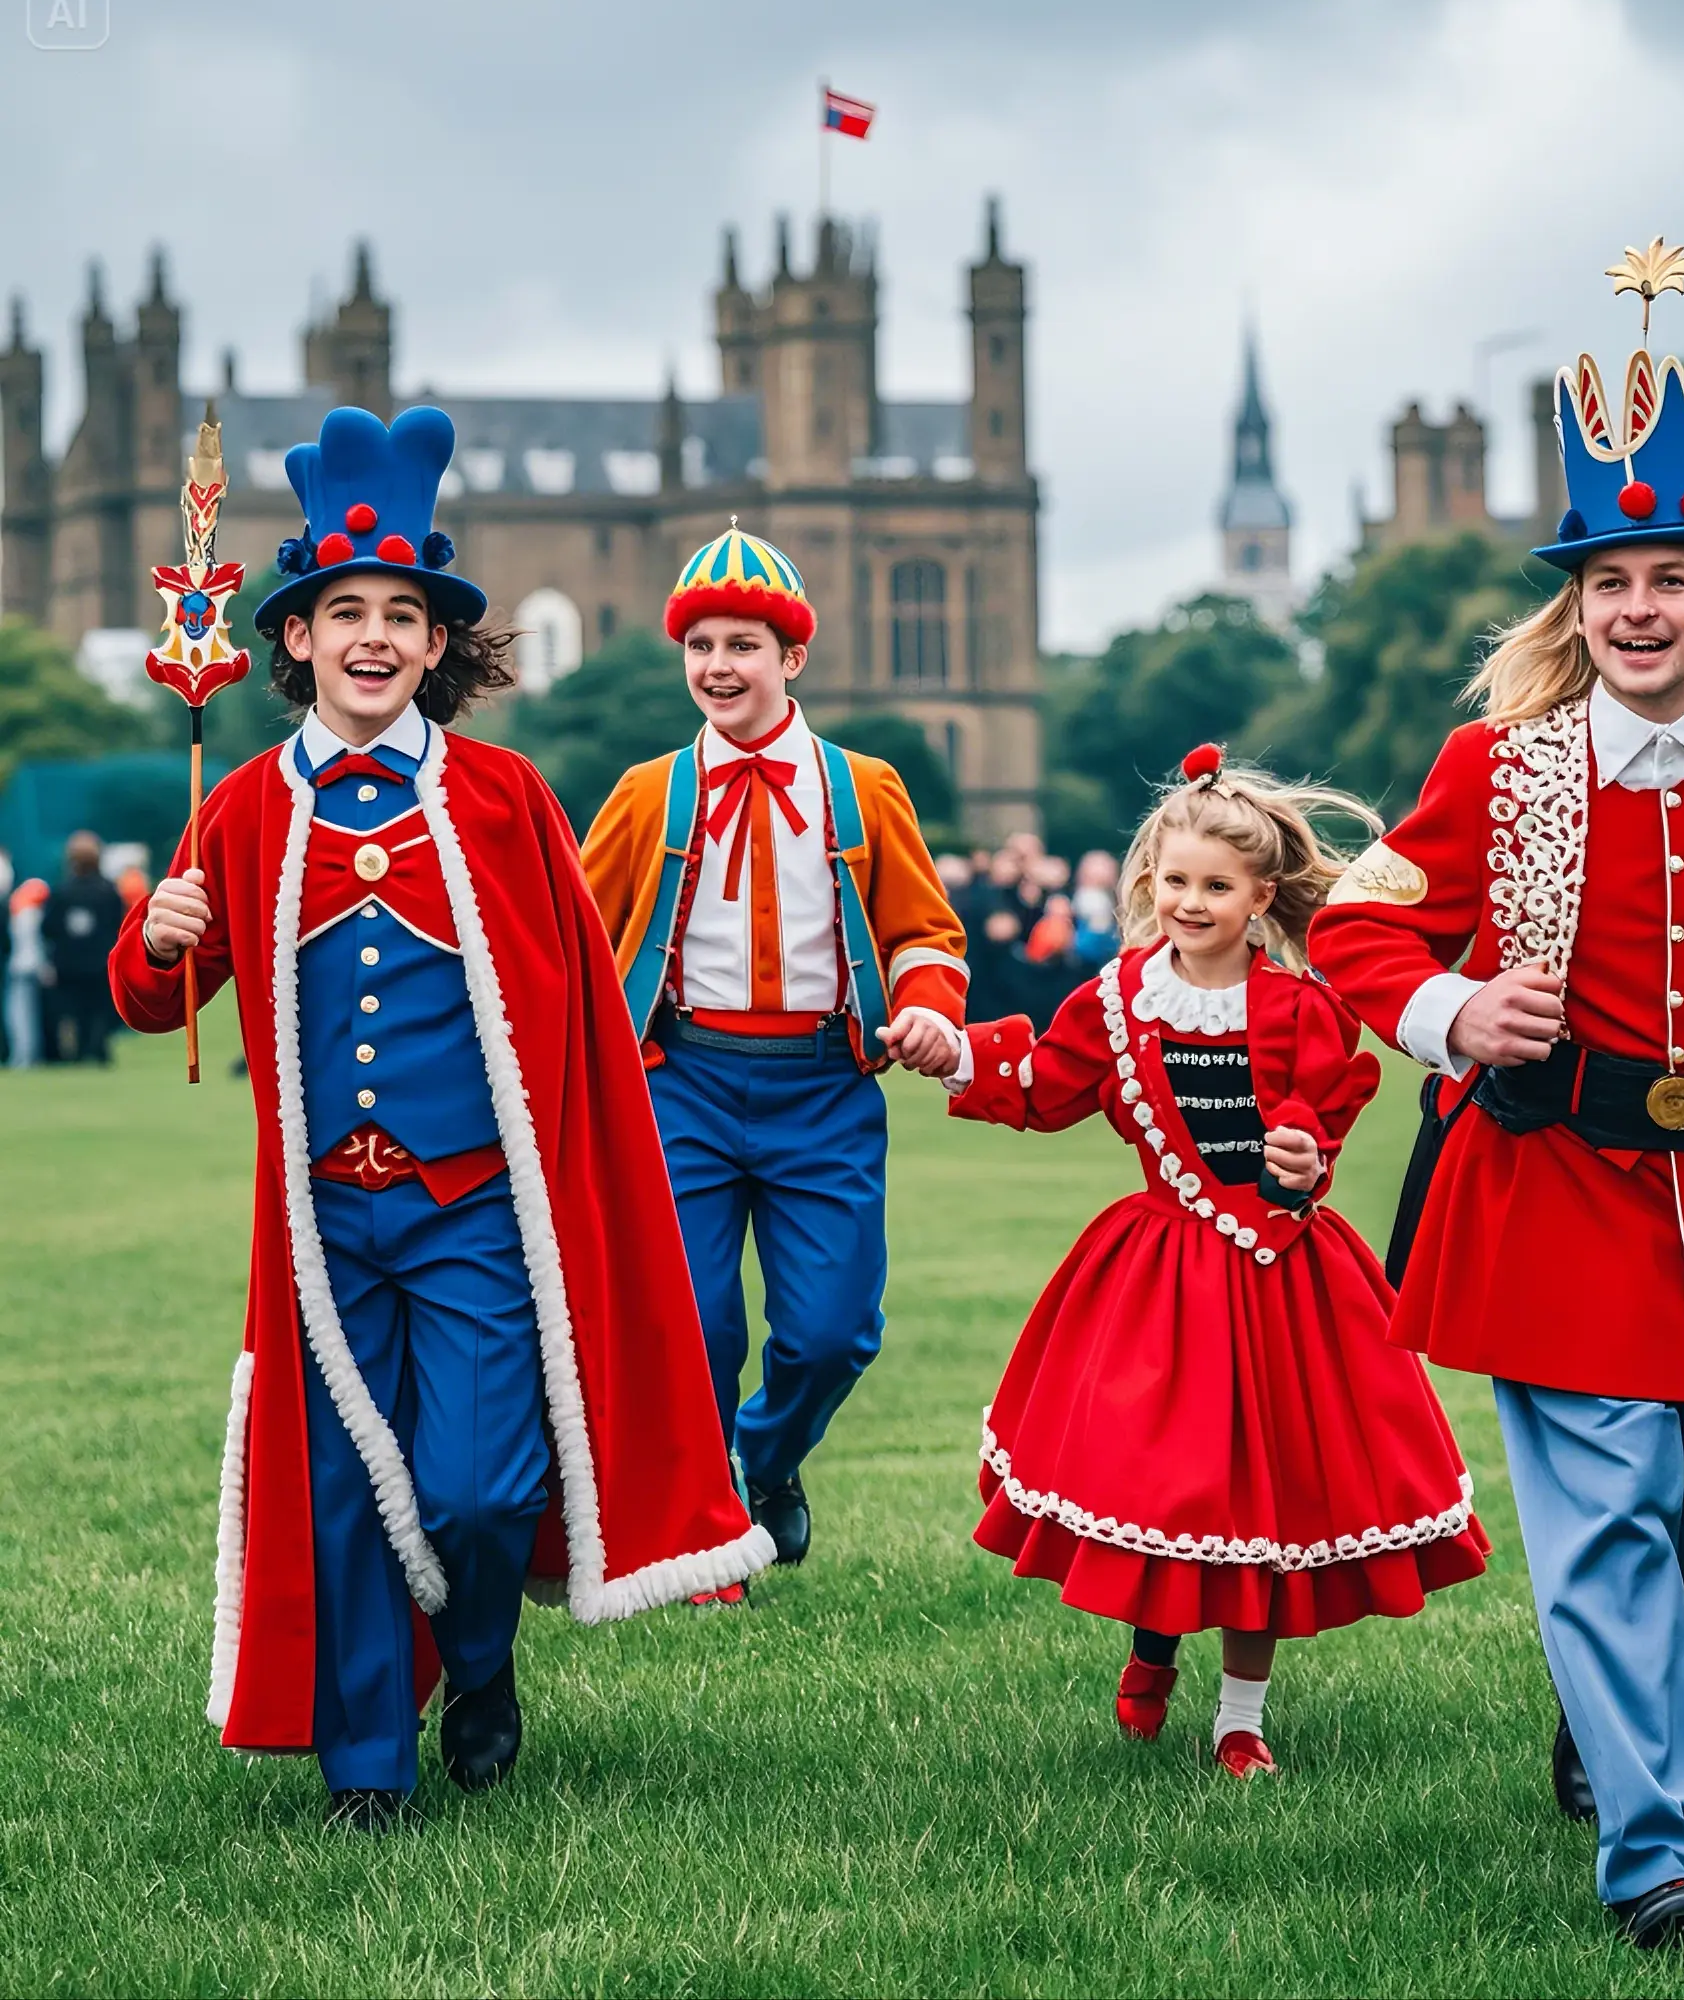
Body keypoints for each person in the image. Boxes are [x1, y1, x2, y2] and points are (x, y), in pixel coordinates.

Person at [1308, 255, 1684, 1952]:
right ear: (1570, 608)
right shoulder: (1489, 765)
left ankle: (1607, 1703)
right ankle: (1659, 1849)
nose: (1636, 610)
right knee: (1598, 1523)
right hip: (1546, 1187)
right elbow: (1359, 921)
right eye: (1607, 584)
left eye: (1669, 578)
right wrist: (1451, 1006)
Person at [110, 405, 770, 1833]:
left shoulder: (505, 796)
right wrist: (158, 938)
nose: (370, 635)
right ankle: (367, 1770)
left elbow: (580, 1014)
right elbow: (159, 1005)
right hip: (322, 1222)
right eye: (342, 609)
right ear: (291, 639)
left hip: (474, 1211)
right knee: (346, 1496)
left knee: (476, 1492)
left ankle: (478, 1664)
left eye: (399, 614)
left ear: (434, 642)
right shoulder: (235, 811)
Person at [899, 744, 1488, 1777]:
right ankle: (1148, 1655)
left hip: (1281, 1281)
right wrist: (959, 1054)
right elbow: (1044, 1085)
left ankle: (1239, 1713)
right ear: (1146, 882)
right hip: (1159, 1278)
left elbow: (1315, 1119)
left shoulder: (1305, 1008)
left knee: (1259, 1503)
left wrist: (1302, 1160)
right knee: (1163, 1487)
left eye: (1215, 884)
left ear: (1261, 895)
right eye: (1173, 880)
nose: (1189, 900)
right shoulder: (1116, 998)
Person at [580, 521, 969, 1571]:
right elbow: (573, 934)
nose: (718, 665)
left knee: (832, 1329)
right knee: (693, 1327)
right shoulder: (645, 791)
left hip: (824, 1087)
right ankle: (708, 1525)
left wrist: (928, 1004)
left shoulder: (865, 786)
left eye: (742, 644)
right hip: (684, 1085)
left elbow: (924, 930)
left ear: (790, 657)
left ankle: (771, 1451)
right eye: (700, 645)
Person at [43, 831, 127, 1063]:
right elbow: (120, 926)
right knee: (100, 1008)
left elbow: (48, 927)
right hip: (101, 961)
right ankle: (98, 1048)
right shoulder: (108, 891)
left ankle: (79, 1051)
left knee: (75, 1009)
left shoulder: (61, 891)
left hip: (68, 963)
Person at [6, 876, 49, 1068]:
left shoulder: (24, 914)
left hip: (21, 968)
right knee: (30, 1016)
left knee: (19, 1015)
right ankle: (29, 1055)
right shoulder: (37, 914)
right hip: (34, 967)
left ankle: (23, 1057)